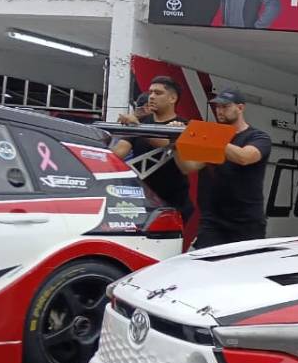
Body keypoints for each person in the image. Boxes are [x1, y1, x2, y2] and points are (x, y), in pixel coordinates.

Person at [176, 88, 272, 248]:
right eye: (218, 107)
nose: (219, 111)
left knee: (243, 269)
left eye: (225, 106)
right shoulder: (213, 138)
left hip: (246, 223)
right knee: (206, 268)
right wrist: (175, 144)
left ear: (240, 108)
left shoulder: (258, 137)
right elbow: (188, 167)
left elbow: (244, 157)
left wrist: (208, 136)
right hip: (213, 221)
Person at [111, 76, 194, 221]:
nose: (152, 97)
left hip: (173, 204)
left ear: (172, 98)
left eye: (158, 93)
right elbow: (118, 153)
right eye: (150, 93)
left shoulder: (185, 126)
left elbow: (168, 146)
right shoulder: (141, 123)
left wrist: (137, 128)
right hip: (141, 201)